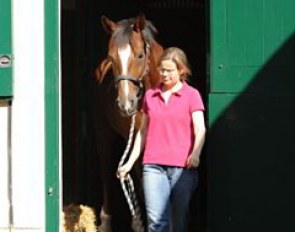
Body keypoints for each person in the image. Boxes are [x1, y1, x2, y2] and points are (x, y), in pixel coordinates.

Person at [117, 47, 206, 232]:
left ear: (181, 70)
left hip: (182, 168)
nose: (164, 74)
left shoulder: (192, 95)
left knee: (178, 221)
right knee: (156, 222)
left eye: (169, 71)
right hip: (153, 166)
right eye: (162, 70)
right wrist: (129, 162)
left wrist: (196, 153)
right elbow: (142, 132)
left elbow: (200, 128)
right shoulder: (150, 96)